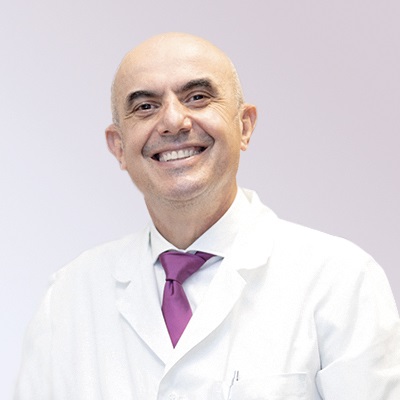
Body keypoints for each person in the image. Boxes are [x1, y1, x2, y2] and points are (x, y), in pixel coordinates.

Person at [15, 32, 400, 399]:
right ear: (118, 147)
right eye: (145, 106)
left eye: (197, 97)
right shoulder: (67, 298)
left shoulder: (340, 280)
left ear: (244, 126)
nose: (173, 121)